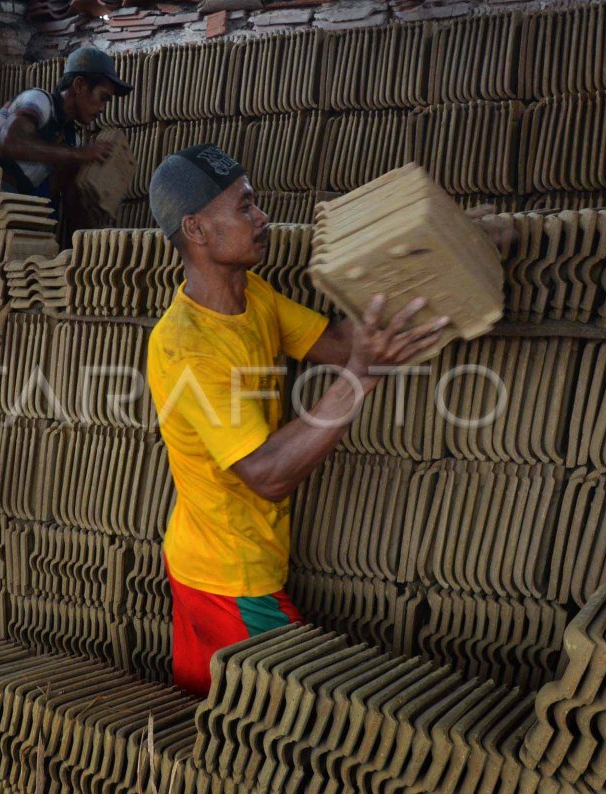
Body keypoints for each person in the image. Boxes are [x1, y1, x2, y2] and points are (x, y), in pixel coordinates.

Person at [145, 145, 451, 696]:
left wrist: (437, 268)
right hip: (227, 577)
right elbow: (266, 472)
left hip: (221, 559)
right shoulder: (187, 347)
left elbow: (334, 342)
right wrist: (362, 377)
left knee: (222, 720)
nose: (264, 218)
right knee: (295, 715)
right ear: (196, 229)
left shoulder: (252, 295)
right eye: (245, 207)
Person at [0, 47, 133, 220]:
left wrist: (83, 242)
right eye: (103, 97)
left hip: (9, 209)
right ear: (79, 85)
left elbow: (67, 198)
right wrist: (79, 155)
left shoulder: (71, 139)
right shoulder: (39, 100)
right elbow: (9, 143)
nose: (102, 108)